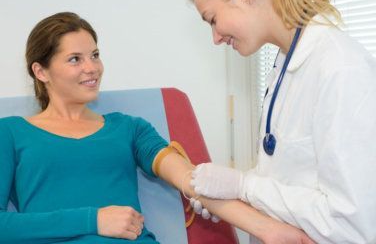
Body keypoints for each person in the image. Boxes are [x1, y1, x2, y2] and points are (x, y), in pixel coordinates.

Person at [0, 12, 316, 244]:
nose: (92, 68)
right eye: (75, 59)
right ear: (40, 71)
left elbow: (193, 181)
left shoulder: (129, 128)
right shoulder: (11, 133)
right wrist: (93, 219)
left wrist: (267, 229)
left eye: (95, 55)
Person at [187, 0, 376, 243]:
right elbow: (288, 176)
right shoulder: (284, 66)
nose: (215, 38)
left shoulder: (341, 69)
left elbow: (352, 223)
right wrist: (231, 195)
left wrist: (244, 187)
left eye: (213, 19)